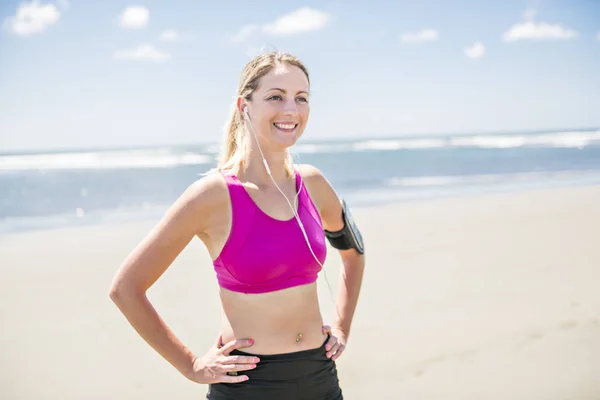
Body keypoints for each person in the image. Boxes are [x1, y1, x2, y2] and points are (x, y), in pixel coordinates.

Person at [109, 51, 366, 399]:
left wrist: (342, 326)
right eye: (276, 96)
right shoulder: (212, 195)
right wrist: (191, 365)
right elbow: (126, 288)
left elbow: (353, 252)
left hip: (319, 376)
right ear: (245, 105)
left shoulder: (313, 184)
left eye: (301, 98)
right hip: (248, 385)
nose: (291, 109)